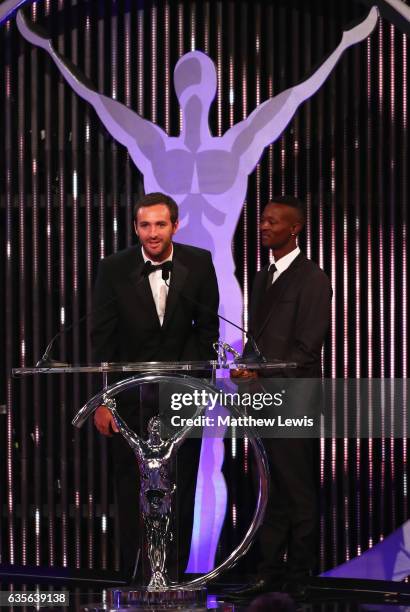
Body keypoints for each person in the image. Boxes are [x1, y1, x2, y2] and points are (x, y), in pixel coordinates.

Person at [17, 7, 377, 346]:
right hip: (167, 284)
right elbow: (95, 99)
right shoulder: (156, 147)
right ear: (176, 87)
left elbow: (294, 96)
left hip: (220, 276)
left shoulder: (234, 147)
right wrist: (49, 50)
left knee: (228, 381)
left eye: (199, 78)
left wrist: (343, 44)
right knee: (171, 383)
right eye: (188, 79)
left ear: (212, 87)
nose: (194, 87)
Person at [90, 192, 219, 580]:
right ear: (135, 228)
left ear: (175, 226)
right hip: (130, 401)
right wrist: (105, 401)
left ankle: (174, 581)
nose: (152, 233)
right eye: (145, 225)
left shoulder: (199, 263)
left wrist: (195, 390)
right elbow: (103, 341)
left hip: (181, 397)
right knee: (133, 492)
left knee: (180, 488)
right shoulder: (114, 269)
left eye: (160, 224)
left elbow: (208, 330)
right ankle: (138, 579)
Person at [233, 195, 332, 598]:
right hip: (263, 400)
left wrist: (261, 370)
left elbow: (307, 351)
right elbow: (257, 341)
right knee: (270, 487)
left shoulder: (312, 278)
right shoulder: (261, 278)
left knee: (298, 488)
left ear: (296, 228)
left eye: (273, 222)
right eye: (262, 222)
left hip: (295, 398)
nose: (264, 228)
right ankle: (270, 571)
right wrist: (243, 365)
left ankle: (301, 575)